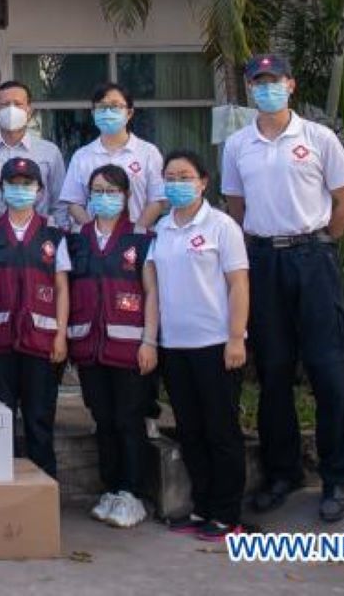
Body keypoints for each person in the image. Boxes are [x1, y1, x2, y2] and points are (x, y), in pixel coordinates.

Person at [221, 52, 344, 523]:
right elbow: (236, 206)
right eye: (257, 82)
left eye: (273, 80)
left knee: (327, 370)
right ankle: (282, 473)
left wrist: (319, 244)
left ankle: (337, 477)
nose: (266, 88)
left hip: (313, 258)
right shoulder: (239, 144)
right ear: (249, 89)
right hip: (263, 260)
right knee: (275, 372)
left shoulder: (319, 138)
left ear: (290, 84)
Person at [143, 149, 251, 541]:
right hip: (176, 348)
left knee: (221, 431)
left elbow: (238, 284)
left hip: (216, 345)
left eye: (185, 176)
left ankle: (228, 513)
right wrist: (151, 341)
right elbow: (152, 289)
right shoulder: (163, 231)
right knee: (190, 431)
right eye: (170, 177)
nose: (177, 184)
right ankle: (203, 506)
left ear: (204, 182)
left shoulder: (222, 226)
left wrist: (236, 337)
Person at [0, 157, 69, 478]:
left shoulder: (54, 234)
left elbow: (62, 288)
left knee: (39, 418)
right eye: (13, 184)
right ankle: (0, 485)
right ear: (1, 189)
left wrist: (61, 335)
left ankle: (42, 487)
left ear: (40, 191)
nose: (20, 189)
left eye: (27, 184)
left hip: (41, 344)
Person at [68, 164, 154, 529]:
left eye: (112, 190)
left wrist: (150, 340)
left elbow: (152, 293)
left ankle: (132, 493)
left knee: (128, 419)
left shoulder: (141, 239)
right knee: (102, 419)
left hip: (130, 348)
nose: (104, 197)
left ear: (125, 196)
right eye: (98, 190)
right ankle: (111, 488)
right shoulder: (78, 239)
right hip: (90, 347)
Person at [59, 82, 167, 230]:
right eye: (102, 107)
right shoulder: (82, 156)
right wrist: (93, 233)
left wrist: (136, 231)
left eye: (115, 106)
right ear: (93, 113)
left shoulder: (148, 152)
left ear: (129, 113)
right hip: (94, 245)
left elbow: (158, 199)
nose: (108, 112)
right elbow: (73, 202)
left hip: (138, 240)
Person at [0, 79, 68, 225]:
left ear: (30, 111)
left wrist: (57, 232)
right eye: (5, 104)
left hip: (40, 236)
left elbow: (60, 201)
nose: (11, 109)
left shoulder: (49, 152)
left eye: (18, 104)